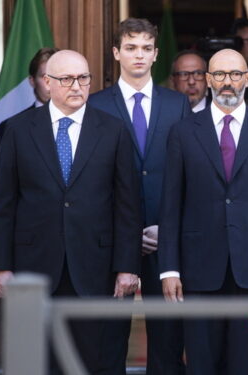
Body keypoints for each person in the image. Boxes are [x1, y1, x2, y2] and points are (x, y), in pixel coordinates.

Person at [0, 50, 142, 373]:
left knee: (93, 360)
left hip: (95, 267)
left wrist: (127, 266)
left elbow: (127, 204)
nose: (77, 86)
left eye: (83, 78)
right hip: (35, 267)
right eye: (67, 79)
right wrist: (1, 266)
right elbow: (4, 204)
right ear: (47, 82)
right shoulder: (16, 129)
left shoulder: (113, 130)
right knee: (39, 360)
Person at [158, 48, 248, 375]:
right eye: (218, 74)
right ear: (207, 80)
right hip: (199, 271)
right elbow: (171, 205)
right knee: (202, 364)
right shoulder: (183, 131)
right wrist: (169, 270)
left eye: (234, 74)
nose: (227, 82)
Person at [88, 18, 192, 375]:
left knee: (166, 340)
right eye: (131, 47)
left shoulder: (177, 104)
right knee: (109, 338)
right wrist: (126, 233)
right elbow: (93, 180)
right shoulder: (95, 104)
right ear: (116, 53)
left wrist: (167, 226)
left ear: (156, 54)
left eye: (146, 48)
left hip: (164, 237)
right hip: (115, 239)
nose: (139, 55)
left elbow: (184, 173)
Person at [0, 47, 60, 168]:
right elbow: (4, 181)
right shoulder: (11, 127)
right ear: (32, 81)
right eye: (45, 77)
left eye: (58, 77)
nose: (51, 84)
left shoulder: (87, 121)